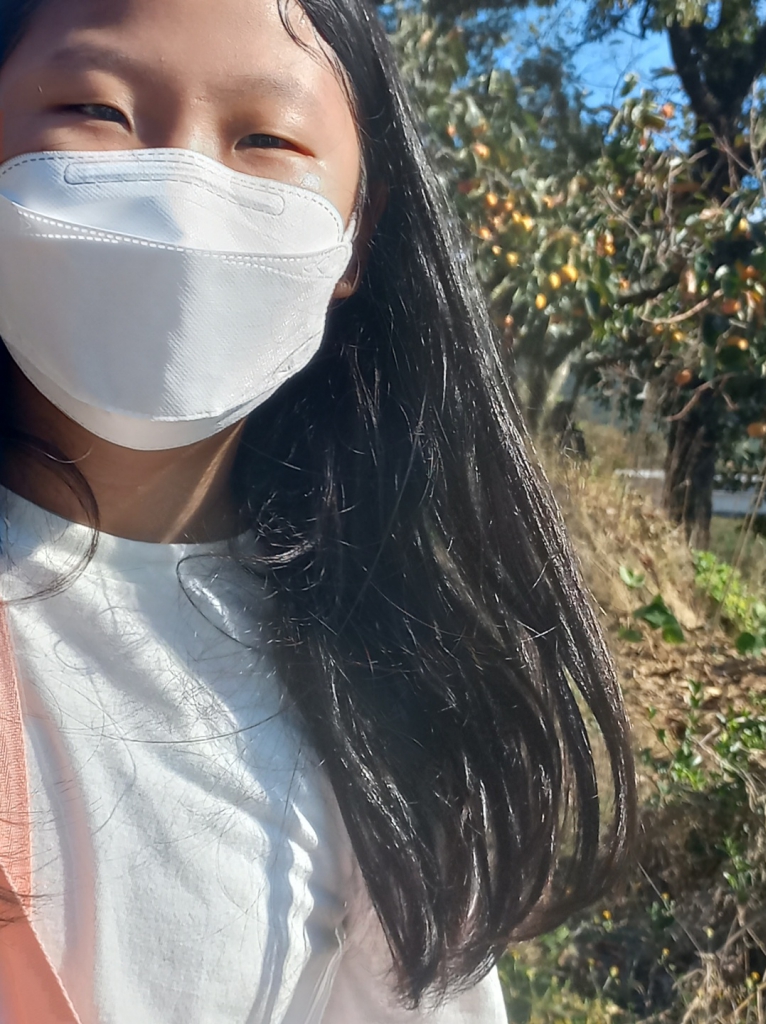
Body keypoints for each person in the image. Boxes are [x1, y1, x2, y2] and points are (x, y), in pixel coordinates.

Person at [0, 0, 637, 1020]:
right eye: (97, 111)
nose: (180, 197)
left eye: (267, 139)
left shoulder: (389, 693)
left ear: (356, 236)